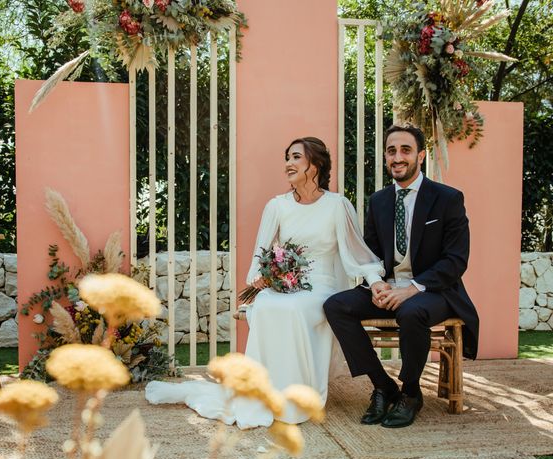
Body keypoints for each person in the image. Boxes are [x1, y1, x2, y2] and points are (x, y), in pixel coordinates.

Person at [146, 137, 384, 428]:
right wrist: (263, 279)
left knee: (295, 309)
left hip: (321, 285)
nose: (288, 164)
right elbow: (262, 255)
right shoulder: (277, 206)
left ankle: (298, 394)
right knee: (268, 305)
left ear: (316, 164)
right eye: (287, 157)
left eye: (296, 157)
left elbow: (357, 253)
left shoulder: (338, 205)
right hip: (283, 284)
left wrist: (375, 281)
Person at [324, 124, 479, 429]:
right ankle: (383, 386)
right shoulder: (379, 201)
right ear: (385, 157)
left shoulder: (447, 199)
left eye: (405, 150)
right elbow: (369, 254)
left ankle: (410, 392)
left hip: (434, 292)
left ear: (421, 155)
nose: (398, 157)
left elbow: (456, 260)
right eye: (391, 151)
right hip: (389, 286)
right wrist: (376, 283)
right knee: (335, 306)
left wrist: (411, 289)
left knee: (411, 311)